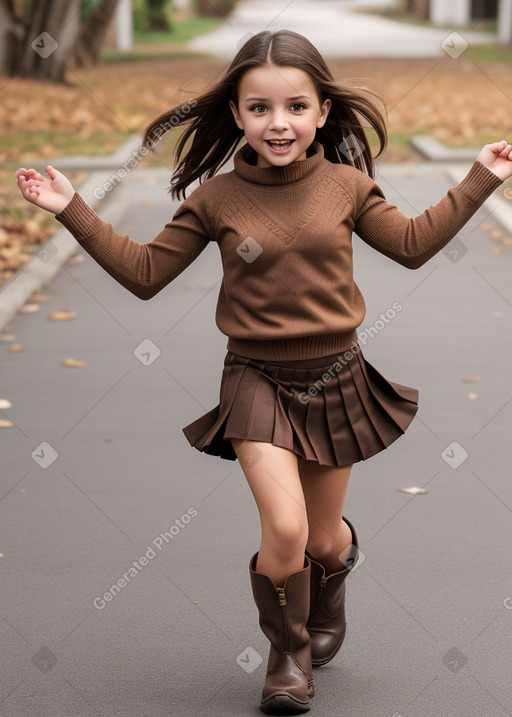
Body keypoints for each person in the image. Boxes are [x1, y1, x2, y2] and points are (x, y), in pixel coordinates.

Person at [16, 29, 511, 716]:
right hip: (253, 377)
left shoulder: (347, 186)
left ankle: (332, 572)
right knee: (284, 528)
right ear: (238, 113)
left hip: (336, 377)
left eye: (296, 107)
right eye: (259, 108)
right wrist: (70, 207)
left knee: (322, 538)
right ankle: (287, 651)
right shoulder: (217, 199)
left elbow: (412, 244)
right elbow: (145, 272)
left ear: (322, 113)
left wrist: (481, 176)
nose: (278, 123)